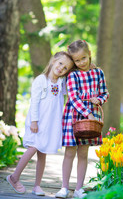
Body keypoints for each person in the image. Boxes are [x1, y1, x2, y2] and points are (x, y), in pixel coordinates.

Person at [6, 51, 74, 196]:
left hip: (49, 125)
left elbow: (70, 86)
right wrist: (34, 121)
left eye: (65, 68)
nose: (61, 68)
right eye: (60, 63)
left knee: (42, 154)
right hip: (37, 123)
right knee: (32, 149)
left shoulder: (61, 83)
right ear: (53, 60)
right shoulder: (41, 80)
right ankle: (14, 177)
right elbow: (34, 102)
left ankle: (37, 185)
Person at [55, 40, 109, 198]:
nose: (81, 63)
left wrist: (99, 100)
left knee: (83, 153)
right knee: (70, 152)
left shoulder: (98, 73)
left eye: (83, 58)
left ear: (89, 53)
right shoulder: (73, 74)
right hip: (74, 116)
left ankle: (79, 188)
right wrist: (88, 113)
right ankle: (64, 187)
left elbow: (105, 93)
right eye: (77, 60)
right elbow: (73, 97)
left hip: (90, 119)